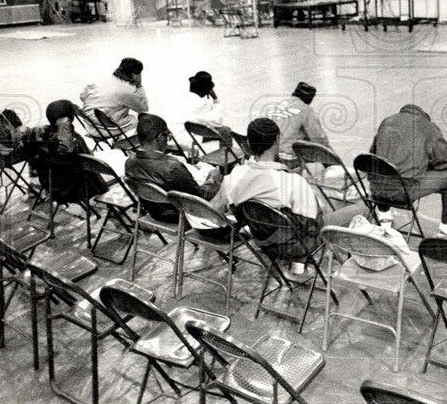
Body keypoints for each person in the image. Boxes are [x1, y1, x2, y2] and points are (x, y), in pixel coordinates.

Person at [212, 117, 366, 277]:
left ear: (249, 144)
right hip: (298, 245)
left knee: (293, 215)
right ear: (277, 140)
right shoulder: (291, 182)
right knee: (362, 208)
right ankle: (305, 261)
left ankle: (297, 260)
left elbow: (219, 208)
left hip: (263, 242)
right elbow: (313, 226)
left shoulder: (234, 175)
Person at [370, 104, 447, 241]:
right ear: (423, 116)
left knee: (385, 170)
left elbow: (373, 156)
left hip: (376, 190)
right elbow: (443, 162)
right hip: (403, 192)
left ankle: (384, 214)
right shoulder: (428, 127)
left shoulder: (386, 122)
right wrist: (424, 166)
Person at [124, 113, 222, 222]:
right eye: (167, 135)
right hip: (181, 216)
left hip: (155, 213)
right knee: (228, 182)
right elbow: (200, 197)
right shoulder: (172, 167)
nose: (168, 140)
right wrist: (214, 175)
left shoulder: (129, 162)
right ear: (160, 137)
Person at [28, 99, 106, 203]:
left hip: (52, 187)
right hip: (79, 190)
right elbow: (89, 162)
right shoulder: (72, 139)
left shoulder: (41, 137)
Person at [266, 81, 330, 166]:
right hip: (289, 159)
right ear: (309, 100)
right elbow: (319, 140)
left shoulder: (274, 106)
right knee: (325, 151)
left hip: (268, 155)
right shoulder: (306, 110)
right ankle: (335, 171)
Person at [80, 57, 148, 134]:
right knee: (141, 118)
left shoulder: (102, 79)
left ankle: (118, 139)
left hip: (88, 123)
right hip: (103, 129)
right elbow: (143, 108)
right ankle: (130, 143)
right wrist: (139, 86)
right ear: (134, 75)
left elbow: (82, 96)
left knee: (116, 111)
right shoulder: (128, 90)